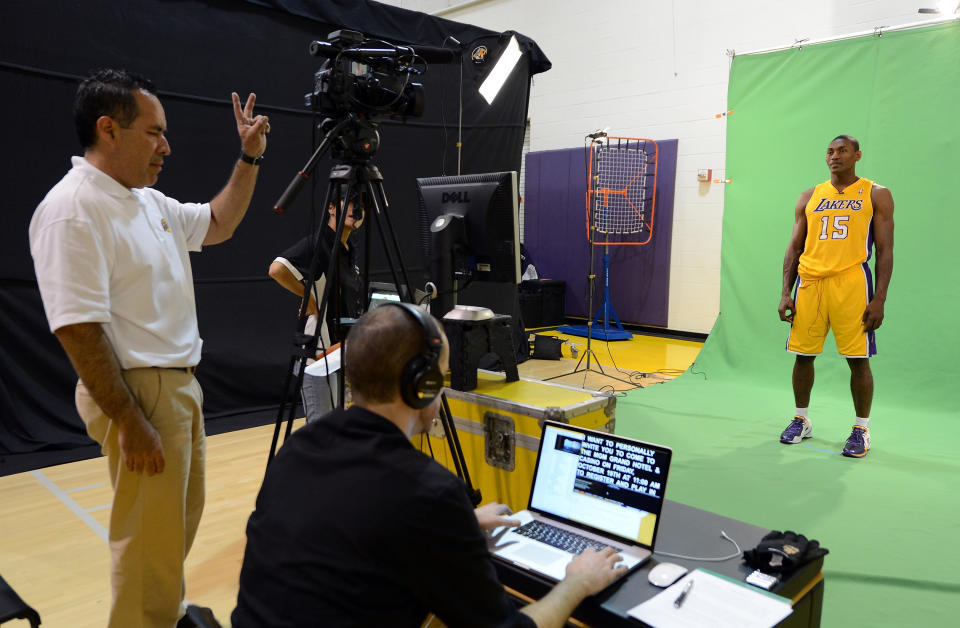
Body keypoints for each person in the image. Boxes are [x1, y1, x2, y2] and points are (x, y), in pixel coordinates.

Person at [28, 68, 269, 627]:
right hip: (140, 392)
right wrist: (131, 420)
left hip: (176, 388)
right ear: (108, 129)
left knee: (170, 532)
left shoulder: (146, 202)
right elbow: (76, 328)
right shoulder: (73, 209)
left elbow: (220, 222)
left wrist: (249, 157)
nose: (167, 146)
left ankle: (165, 613)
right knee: (146, 545)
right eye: (154, 133)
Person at [231, 304, 626, 627]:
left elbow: (357, 526)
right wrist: (577, 582)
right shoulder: (427, 491)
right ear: (423, 387)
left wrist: (458, 526)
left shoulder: (300, 447)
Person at [778, 134, 894, 458]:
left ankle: (861, 428)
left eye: (842, 151)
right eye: (830, 151)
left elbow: (885, 250)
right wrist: (786, 292)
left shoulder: (876, 194)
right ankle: (801, 419)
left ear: (857, 155)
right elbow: (794, 247)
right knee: (803, 355)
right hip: (811, 283)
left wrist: (880, 298)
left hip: (851, 283)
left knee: (858, 360)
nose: (835, 156)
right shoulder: (810, 195)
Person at [268, 192, 364, 421]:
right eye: (348, 201)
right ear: (331, 208)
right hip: (317, 357)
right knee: (321, 429)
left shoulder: (350, 253)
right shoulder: (318, 243)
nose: (355, 208)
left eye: (359, 205)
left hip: (340, 355)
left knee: (337, 428)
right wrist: (308, 298)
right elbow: (277, 269)